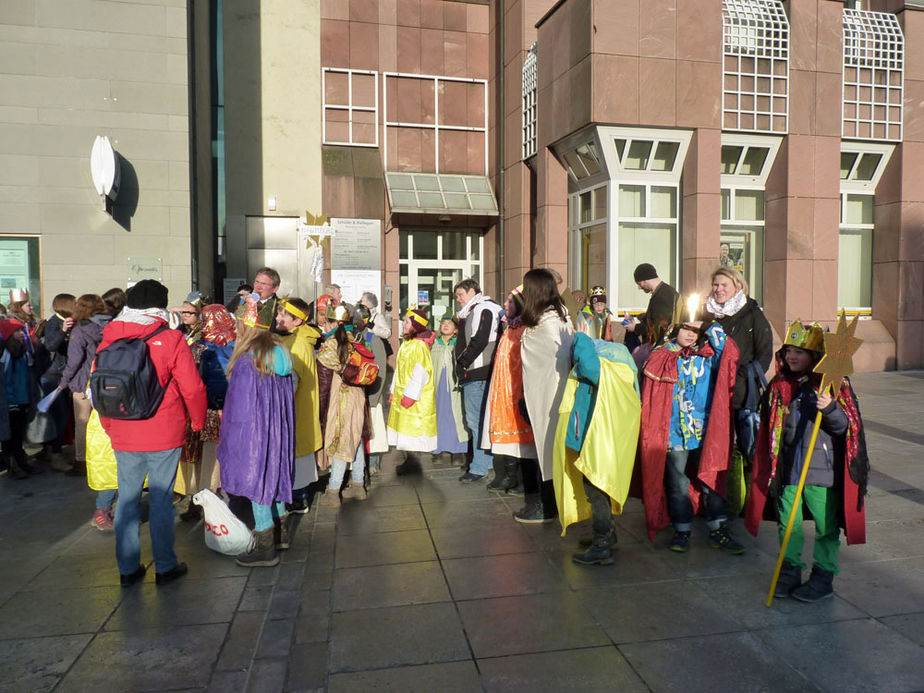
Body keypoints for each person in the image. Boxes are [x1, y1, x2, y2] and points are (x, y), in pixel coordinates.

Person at [745, 321, 869, 602]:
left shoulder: (831, 385)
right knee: (789, 525)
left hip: (821, 474)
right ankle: (789, 571)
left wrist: (830, 408)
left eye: (800, 351)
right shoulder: (780, 385)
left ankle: (823, 576)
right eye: (789, 350)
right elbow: (771, 428)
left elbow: (846, 429)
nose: (792, 356)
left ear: (815, 355)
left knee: (826, 528)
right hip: (788, 471)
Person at [98, 280, 206, 586]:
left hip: (122, 429)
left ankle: (128, 569)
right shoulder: (171, 338)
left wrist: (109, 426)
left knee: (128, 499)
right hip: (164, 430)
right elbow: (193, 387)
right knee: (160, 499)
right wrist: (197, 422)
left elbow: (100, 386)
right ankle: (165, 566)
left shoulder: (109, 336)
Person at [638, 313, 743, 554]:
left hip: (705, 431)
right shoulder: (661, 355)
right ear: (675, 328)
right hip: (674, 432)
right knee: (678, 483)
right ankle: (682, 530)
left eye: (695, 330)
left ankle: (718, 528)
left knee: (712, 480)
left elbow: (731, 353)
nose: (689, 334)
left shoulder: (708, 356)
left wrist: (708, 325)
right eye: (685, 328)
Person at [554, 331, 641, 566]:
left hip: (596, 438)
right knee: (595, 487)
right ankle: (607, 534)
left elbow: (592, 370)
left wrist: (581, 338)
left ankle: (601, 544)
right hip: (597, 436)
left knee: (596, 488)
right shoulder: (615, 362)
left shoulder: (606, 363)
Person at [217, 310, 295, 566]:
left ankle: (264, 546)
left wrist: (230, 440)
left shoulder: (247, 361)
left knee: (257, 480)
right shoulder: (281, 352)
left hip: (254, 432)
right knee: (275, 474)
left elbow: (239, 408)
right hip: (278, 430)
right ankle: (281, 533)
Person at [518, 268, 574, 523]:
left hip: (551, 396)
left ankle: (549, 505)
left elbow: (559, 362)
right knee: (545, 447)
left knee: (550, 447)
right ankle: (548, 502)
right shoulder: (545, 319)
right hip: (539, 392)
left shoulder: (552, 323)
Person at [704, 266, 773, 463]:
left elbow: (764, 354)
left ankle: (747, 489)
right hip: (710, 389)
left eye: (724, 284)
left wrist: (742, 376)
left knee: (747, 448)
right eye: (715, 284)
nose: (718, 289)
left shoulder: (753, 314)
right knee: (715, 447)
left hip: (742, 393)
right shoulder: (706, 314)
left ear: (738, 286)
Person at [178, 304, 235, 522]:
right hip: (234, 410)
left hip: (206, 410)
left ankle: (203, 499)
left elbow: (190, 382)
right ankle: (230, 497)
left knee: (205, 458)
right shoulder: (240, 344)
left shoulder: (199, 347)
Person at [317, 303, 369, 504]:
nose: (324, 326)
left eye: (326, 322)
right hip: (357, 396)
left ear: (335, 323)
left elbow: (323, 376)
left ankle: (333, 491)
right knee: (354, 440)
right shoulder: (358, 339)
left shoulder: (332, 344)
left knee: (339, 440)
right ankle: (358, 485)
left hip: (341, 398)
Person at [481, 287, 531, 494]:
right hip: (502, 388)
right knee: (505, 435)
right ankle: (509, 475)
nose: (505, 305)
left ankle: (522, 479)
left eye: (510, 301)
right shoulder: (510, 328)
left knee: (520, 436)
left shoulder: (524, 329)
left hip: (516, 389)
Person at [453, 279, 503, 482]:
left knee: (476, 421)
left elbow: (480, 340)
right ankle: (485, 462)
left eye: (460, 295)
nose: (458, 300)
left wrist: (462, 363)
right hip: (478, 373)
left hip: (477, 373)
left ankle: (479, 467)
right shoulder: (482, 309)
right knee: (481, 420)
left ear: (472, 291)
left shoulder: (484, 309)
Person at [276, 297, 323, 513]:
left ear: (297, 321)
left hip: (294, 409)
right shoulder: (290, 339)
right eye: (279, 314)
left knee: (296, 455)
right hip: (294, 410)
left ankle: (297, 498)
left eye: (284, 315)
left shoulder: (298, 344)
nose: (278, 318)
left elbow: (291, 381)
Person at [58, 294, 112, 478]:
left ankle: (81, 461)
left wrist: (63, 383)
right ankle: (109, 458)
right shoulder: (111, 324)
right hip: (110, 379)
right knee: (107, 421)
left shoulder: (80, 329)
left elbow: (74, 361)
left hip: (84, 381)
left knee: (82, 422)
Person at [387, 308, 437, 471]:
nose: (403, 324)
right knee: (405, 429)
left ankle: (414, 463)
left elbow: (420, 373)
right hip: (404, 394)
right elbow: (399, 370)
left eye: (407, 322)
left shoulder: (419, 347)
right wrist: (394, 389)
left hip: (414, 398)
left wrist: (410, 396)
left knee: (413, 429)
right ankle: (410, 461)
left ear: (415, 326)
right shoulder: (407, 344)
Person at [39, 293, 76, 471]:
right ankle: (55, 454)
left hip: (60, 375)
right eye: (74, 303)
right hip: (53, 377)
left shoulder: (69, 321)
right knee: (60, 417)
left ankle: (49, 450)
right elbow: (51, 345)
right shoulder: (55, 322)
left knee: (59, 416)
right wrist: (63, 330)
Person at [430, 315, 469, 468]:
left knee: (457, 416)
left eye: (449, 324)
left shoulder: (459, 344)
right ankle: (437, 449)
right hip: (438, 387)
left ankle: (458, 450)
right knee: (438, 416)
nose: (445, 326)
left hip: (455, 387)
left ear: (456, 329)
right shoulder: (434, 345)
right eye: (443, 323)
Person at [624, 263, 679, 349]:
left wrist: (635, 328)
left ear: (645, 280)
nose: (639, 287)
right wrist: (645, 317)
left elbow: (659, 326)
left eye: (639, 283)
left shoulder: (662, 295)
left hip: (664, 348)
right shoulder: (664, 291)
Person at [236, 267, 282, 331]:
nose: (258, 287)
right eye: (257, 282)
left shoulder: (280, 307)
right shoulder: (240, 299)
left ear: (275, 289)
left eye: (263, 284)